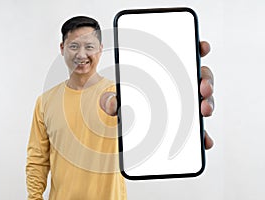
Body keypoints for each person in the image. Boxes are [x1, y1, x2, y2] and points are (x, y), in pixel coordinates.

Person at [26, 16, 214, 200]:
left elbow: (154, 122)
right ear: (62, 48)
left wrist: (181, 102)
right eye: (74, 46)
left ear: (100, 49)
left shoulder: (122, 96)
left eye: (89, 47)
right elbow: (37, 159)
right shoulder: (45, 101)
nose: (81, 54)